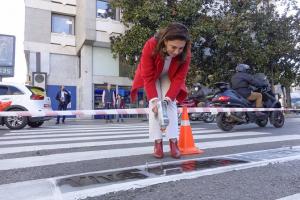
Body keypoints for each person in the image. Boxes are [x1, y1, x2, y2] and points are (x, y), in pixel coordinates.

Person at [130, 22, 191, 159]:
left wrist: (168, 98)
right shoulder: (150, 45)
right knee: (155, 106)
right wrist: (155, 100)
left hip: (170, 76)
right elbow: (148, 77)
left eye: (180, 48)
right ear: (165, 41)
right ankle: (158, 143)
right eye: (173, 47)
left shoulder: (186, 52)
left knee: (170, 104)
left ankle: (173, 142)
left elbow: (179, 78)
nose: (176, 52)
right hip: (152, 76)